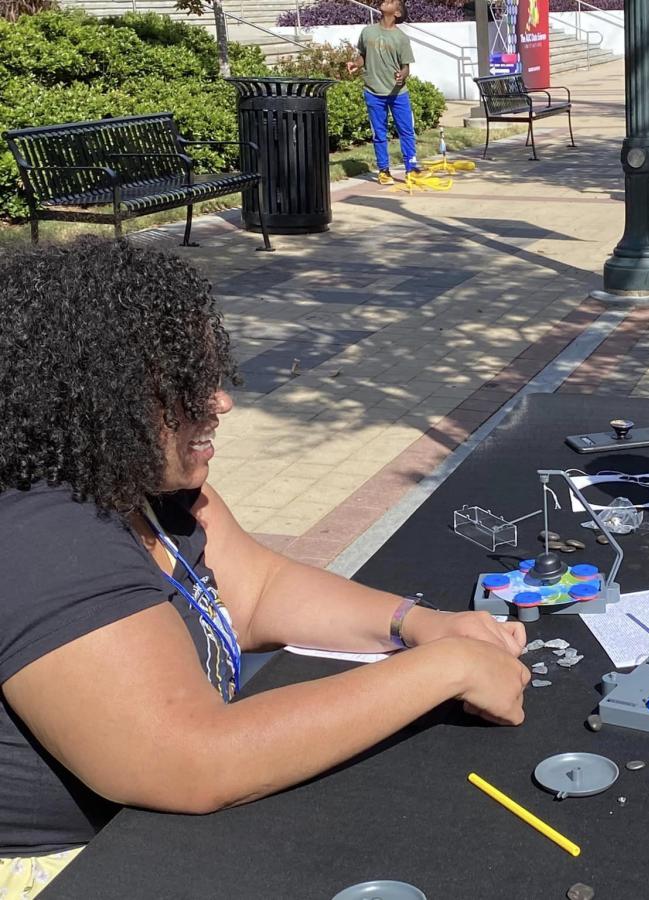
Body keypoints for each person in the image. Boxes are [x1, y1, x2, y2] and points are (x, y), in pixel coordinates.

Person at [0, 239, 531, 897]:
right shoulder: (45, 536)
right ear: (92, 397)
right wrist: (444, 667)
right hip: (79, 869)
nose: (219, 401)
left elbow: (260, 592)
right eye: (188, 384)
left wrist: (417, 623)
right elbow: (191, 759)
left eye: (211, 371)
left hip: (158, 835)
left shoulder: (145, 485)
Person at [347, 0, 421, 185]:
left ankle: (411, 168)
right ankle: (384, 170)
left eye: (392, 2)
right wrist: (356, 64)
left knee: (406, 131)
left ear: (396, 13)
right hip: (373, 92)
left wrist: (401, 76)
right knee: (379, 134)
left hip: (398, 94)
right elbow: (363, 56)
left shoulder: (401, 38)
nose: (386, 1)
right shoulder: (367, 31)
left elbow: (406, 68)